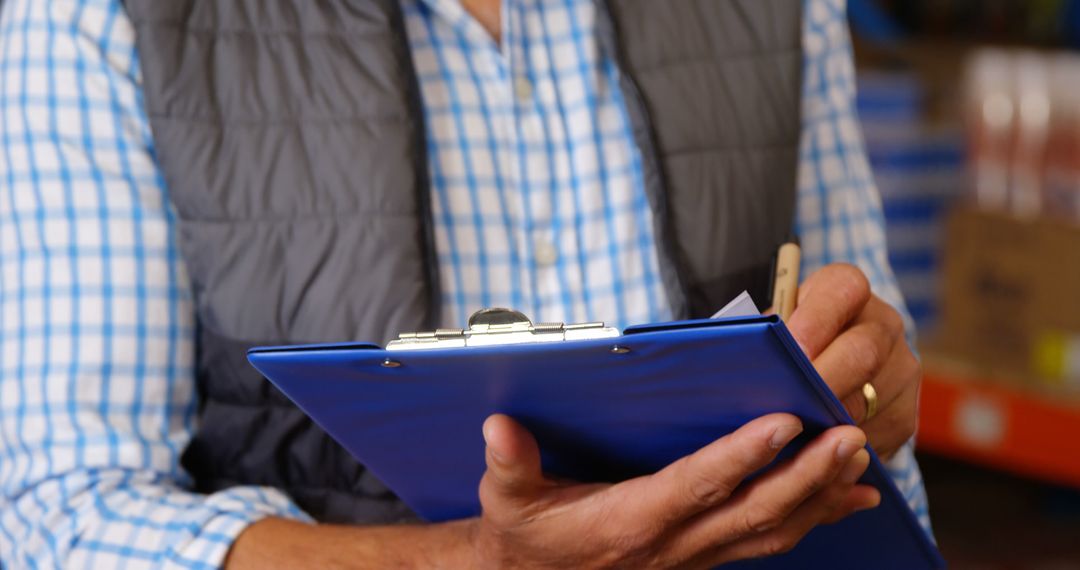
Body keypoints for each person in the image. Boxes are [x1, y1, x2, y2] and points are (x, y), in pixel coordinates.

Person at [0, 0, 930, 567]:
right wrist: (473, 563)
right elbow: (64, 520)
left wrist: (875, 397)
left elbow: (878, 388)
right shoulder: (101, 15)